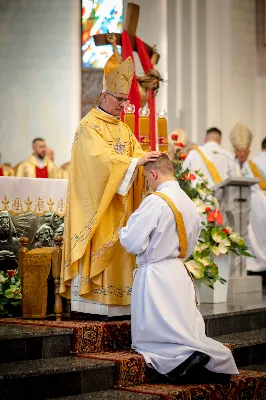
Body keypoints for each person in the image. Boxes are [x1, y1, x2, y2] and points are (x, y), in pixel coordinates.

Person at [119, 154, 238, 384]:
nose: (147, 183)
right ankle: (201, 360)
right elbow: (190, 245)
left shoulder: (156, 200)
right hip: (178, 272)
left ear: (153, 174)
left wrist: (120, 231)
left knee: (159, 338)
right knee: (181, 329)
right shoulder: (188, 202)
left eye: (146, 177)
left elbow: (133, 241)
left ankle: (179, 363)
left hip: (156, 276)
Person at [60, 53, 160, 317]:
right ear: (105, 95)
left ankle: (121, 304)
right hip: (98, 208)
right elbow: (97, 161)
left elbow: (136, 154)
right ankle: (94, 305)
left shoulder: (123, 129)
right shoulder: (88, 127)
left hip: (121, 206)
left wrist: (147, 162)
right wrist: (131, 163)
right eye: (120, 100)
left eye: (126, 101)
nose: (123, 106)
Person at [230, 123, 266, 284]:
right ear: (235, 151)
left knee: (256, 241)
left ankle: (258, 268)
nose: (242, 154)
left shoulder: (253, 166)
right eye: (240, 151)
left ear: (249, 151)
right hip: (235, 208)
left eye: (245, 151)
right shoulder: (230, 165)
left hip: (255, 210)